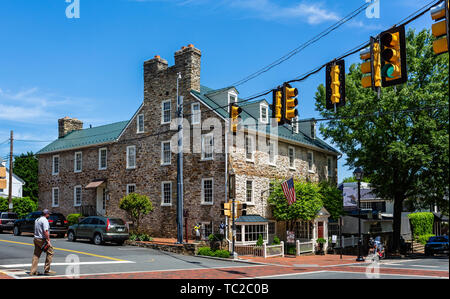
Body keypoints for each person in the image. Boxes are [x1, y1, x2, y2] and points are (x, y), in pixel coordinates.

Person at [30, 209, 55, 276]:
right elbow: (45, 231)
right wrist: (48, 240)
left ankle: (32, 271)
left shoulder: (37, 219)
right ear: (46, 214)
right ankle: (47, 270)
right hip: (42, 239)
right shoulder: (45, 220)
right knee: (50, 252)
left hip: (36, 238)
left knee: (36, 255)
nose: (49, 215)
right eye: (48, 214)